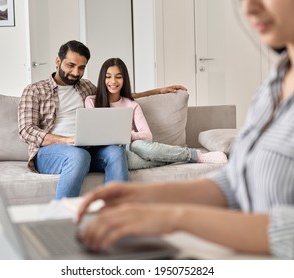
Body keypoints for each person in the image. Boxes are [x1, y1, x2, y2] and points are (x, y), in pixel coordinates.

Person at [76, 0, 294, 259]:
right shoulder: (273, 84)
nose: (248, 8)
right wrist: (145, 195)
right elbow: (237, 183)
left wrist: (173, 217)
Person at [18, 40, 186, 199]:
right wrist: (66, 140)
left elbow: (114, 93)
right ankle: (64, 217)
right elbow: (26, 130)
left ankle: (115, 213)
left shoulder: (85, 87)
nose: (76, 72)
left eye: (81, 67)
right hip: (51, 153)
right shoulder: (34, 90)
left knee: (116, 151)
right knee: (78, 156)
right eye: (71, 65)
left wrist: (157, 91)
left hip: (88, 148)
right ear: (58, 61)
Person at [85, 57, 228, 170]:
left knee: (140, 146)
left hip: (132, 146)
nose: (113, 81)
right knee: (126, 159)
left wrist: (128, 135)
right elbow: (93, 134)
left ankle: (196, 155)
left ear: (124, 79)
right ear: (102, 79)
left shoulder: (132, 104)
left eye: (118, 77)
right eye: (108, 77)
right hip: (110, 153)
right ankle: (187, 156)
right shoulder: (91, 102)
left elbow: (147, 136)